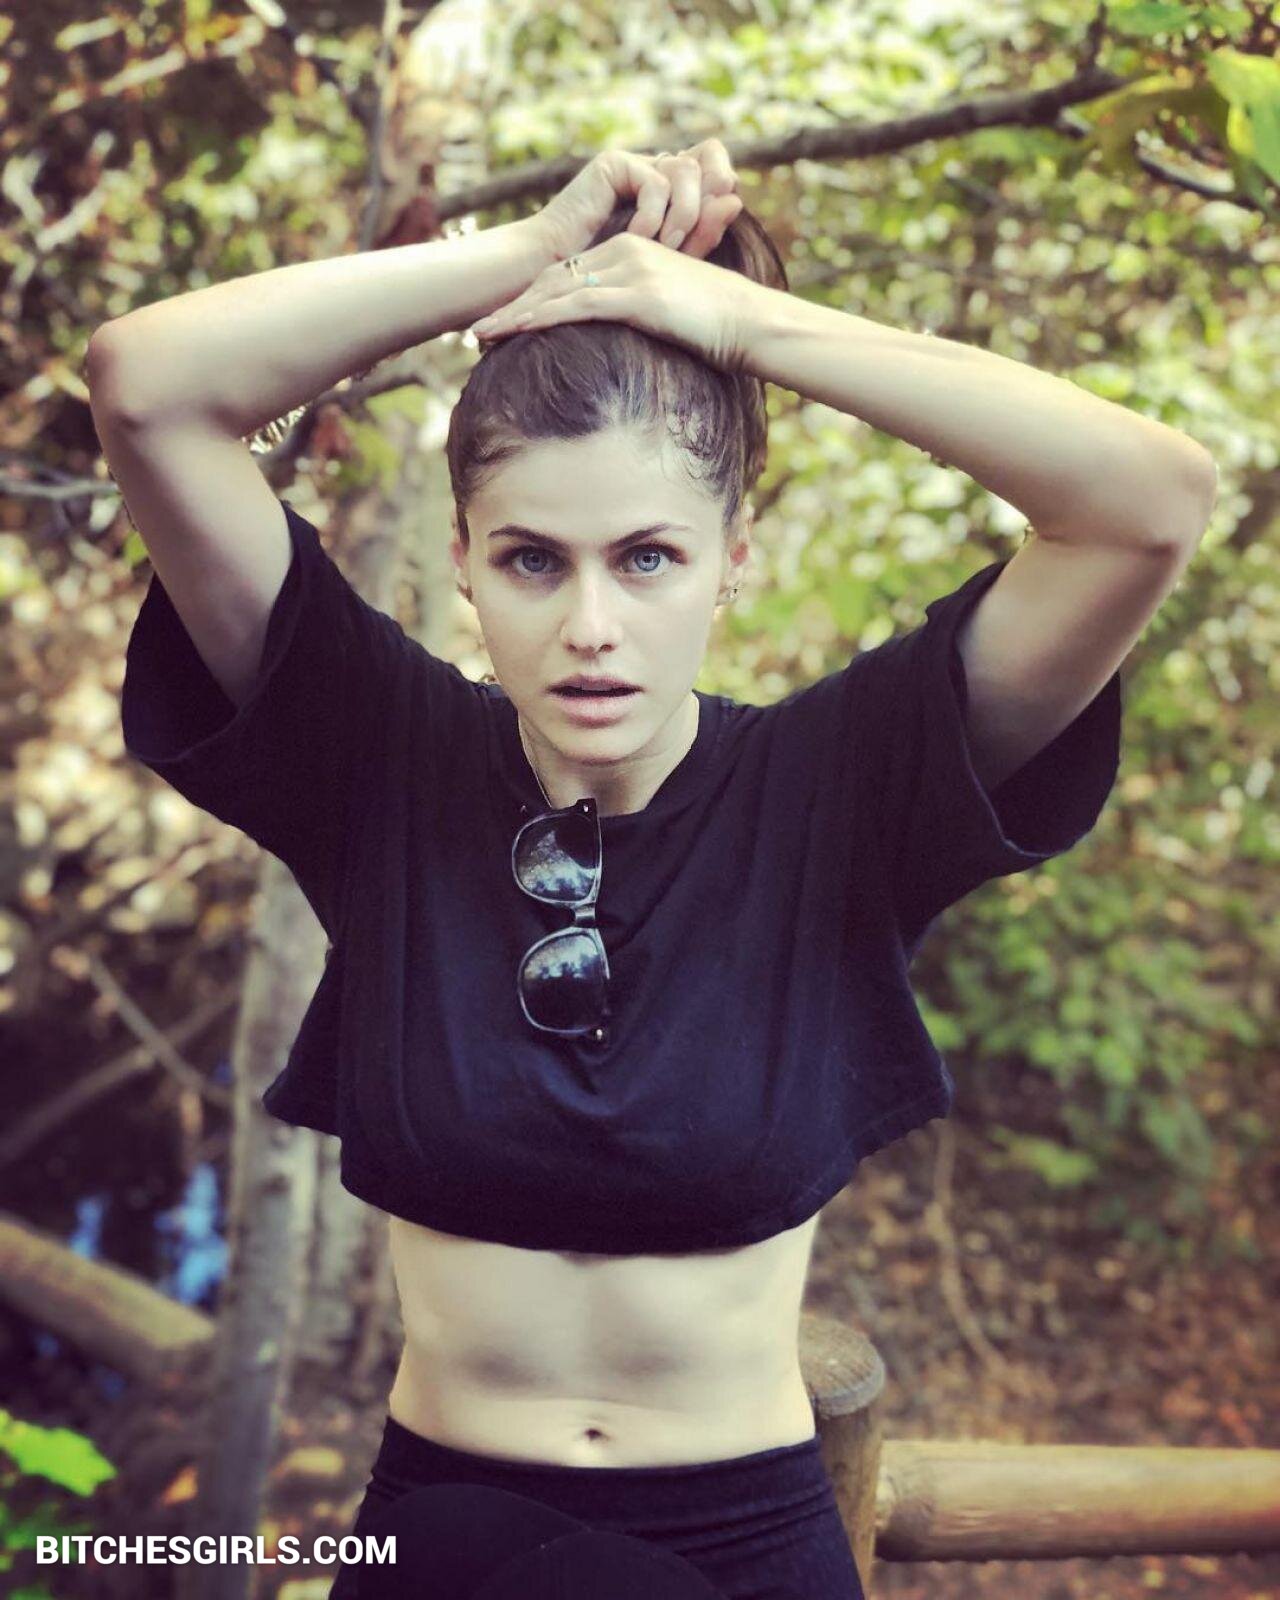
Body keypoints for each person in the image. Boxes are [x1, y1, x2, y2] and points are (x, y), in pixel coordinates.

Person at [92, 141, 1137, 1598]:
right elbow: (145, 384)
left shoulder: (845, 790)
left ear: (733, 557)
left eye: (647, 558)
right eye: (534, 560)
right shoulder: (377, 757)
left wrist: (745, 325)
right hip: (437, 1536)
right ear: (464, 558)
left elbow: (1143, 500)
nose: (591, 625)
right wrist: (525, 255)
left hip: (746, 1548)